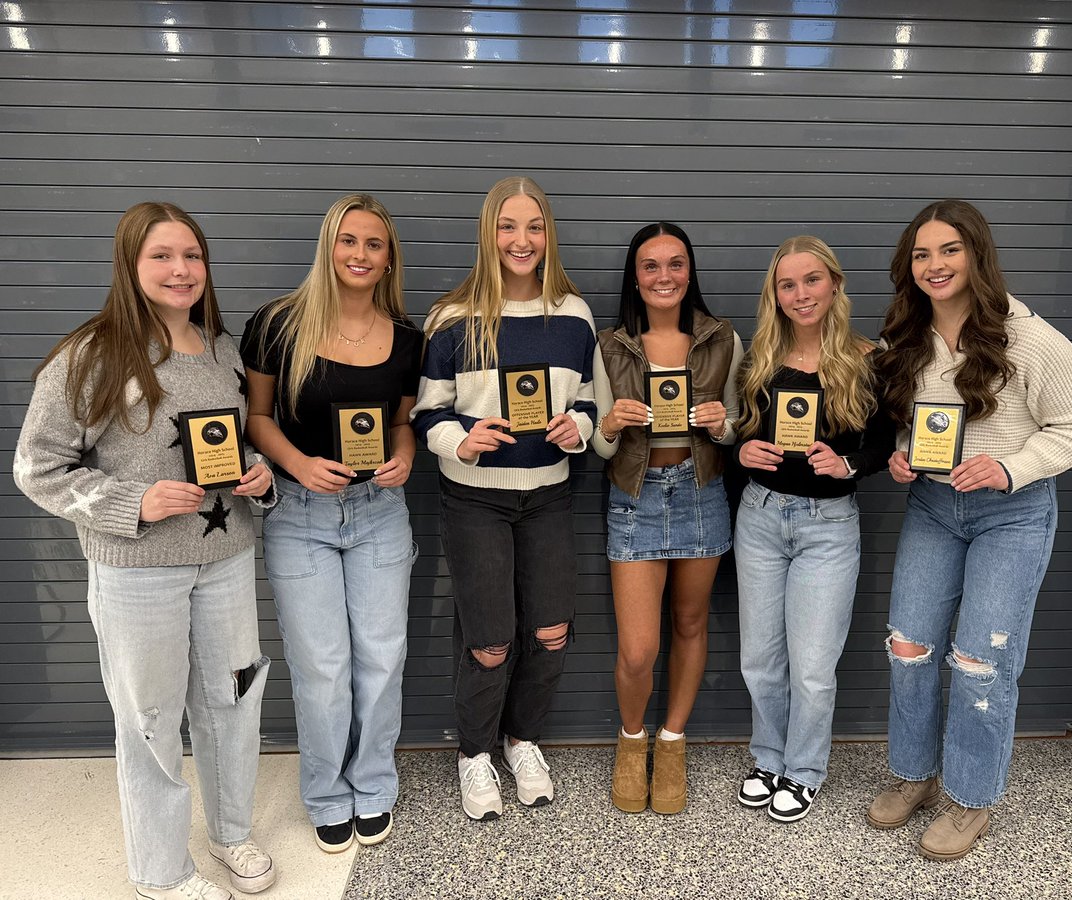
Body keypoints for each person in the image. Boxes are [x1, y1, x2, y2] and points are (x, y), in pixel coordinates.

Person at [14, 202, 276, 899]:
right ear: (131, 264)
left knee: (233, 700)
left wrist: (261, 475)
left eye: (191, 255)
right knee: (151, 719)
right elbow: (37, 468)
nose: (180, 269)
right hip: (137, 574)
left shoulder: (224, 352)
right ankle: (160, 873)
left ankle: (228, 831)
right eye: (162, 255)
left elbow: (236, 443)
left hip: (225, 559)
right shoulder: (90, 356)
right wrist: (135, 502)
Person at [867, 200, 1072, 859]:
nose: (934, 265)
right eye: (921, 254)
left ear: (977, 255)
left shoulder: (1031, 340)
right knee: (909, 647)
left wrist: (1010, 467)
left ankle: (971, 801)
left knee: (979, 663)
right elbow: (911, 425)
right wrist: (901, 455)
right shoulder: (904, 342)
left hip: (1013, 516)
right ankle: (916, 774)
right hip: (934, 511)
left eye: (949, 250)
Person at [411, 176, 596, 821]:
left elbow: (590, 402)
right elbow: (427, 413)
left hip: (548, 498)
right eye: (509, 226)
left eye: (535, 226)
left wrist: (581, 428)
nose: (522, 240)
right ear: (489, 233)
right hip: (475, 503)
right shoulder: (452, 317)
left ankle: (521, 741)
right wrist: (461, 440)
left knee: (549, 631)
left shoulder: (573, 315)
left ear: (549, 235)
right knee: (489, 641)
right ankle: (474, 754)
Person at [240, 194, 422, 852]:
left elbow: (402, 423)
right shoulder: (276, 325)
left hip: (379, 515)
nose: (361, 255)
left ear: (388, 257)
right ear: (329, 246)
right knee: (321, 666)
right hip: (299, 512)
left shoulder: (407, 338)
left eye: (374, 245)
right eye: (350, 241)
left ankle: (373, 784)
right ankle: (325, 792)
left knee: (381, 658)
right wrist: (296, 463)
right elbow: (256, 418)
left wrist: (403, 455)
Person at [732, 236, 892, 823]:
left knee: (814, 663)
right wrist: (742, 453)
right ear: (774, 294)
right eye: (787, 284)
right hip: (761, 517)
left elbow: (885, 442)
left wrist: (849, 464)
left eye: (812, 280)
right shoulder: (759, 359)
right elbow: (736, 434)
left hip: (828, 528)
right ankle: (767, 759)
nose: (801, 294)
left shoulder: (868, 358)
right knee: (760, 657)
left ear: (834, 285)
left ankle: (803, 772)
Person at [592, 222, 742, 814]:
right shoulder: (609, 346)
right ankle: (633, 741)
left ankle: (672, 740)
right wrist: (610, 425)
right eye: (651, 265)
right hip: (635, 496)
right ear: (635, 275)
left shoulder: (722, 339)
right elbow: (601, 449)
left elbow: (741, 424)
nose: (664, 276)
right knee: (637, 648)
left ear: (690, 271)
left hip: (702, 490)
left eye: (675, 264)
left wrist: (720, 424)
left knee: (690, 624)